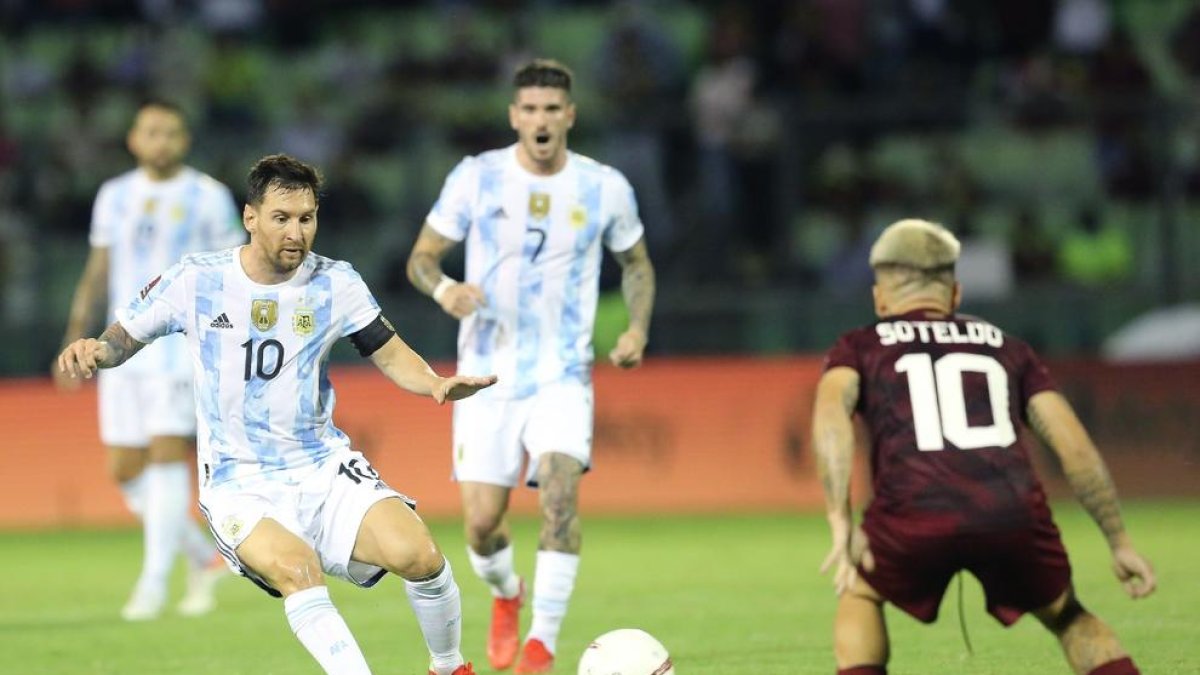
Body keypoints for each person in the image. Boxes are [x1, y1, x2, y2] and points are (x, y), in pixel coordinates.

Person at [58, 154, 494, 675]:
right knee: (298, 569)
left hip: (321, 465)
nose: (296, 232)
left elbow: (389, 350)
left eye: (306, 218)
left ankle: (448, 667)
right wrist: (97, 351)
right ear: (250, 217)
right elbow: (124, 336)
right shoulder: (197, 280)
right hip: (238, 481)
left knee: (420, 556)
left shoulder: (336, 282)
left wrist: (436, 384)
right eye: (281, 218)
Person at [812, 219, 1156, 675]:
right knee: (1067, 615)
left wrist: (840, 517)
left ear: (880, 298)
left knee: (859, 590)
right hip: (1009, 509)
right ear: (955, 295)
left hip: (913, 510)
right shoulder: (1008, 348)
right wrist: (1119, 540)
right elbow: (1074, 445)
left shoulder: (860, 347)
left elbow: (830, 417)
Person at [406, 59, 656, 674]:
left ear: (569, 115)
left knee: (560, 493)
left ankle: (541, 645)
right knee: (483, 527)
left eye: (552, 109)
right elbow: (422, 259)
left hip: (562, 374)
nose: (541, 120)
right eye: (530, 109)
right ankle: (505, 593)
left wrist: (636, 329)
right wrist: (446, 293)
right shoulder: (477, 177)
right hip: (484, 376)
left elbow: (638, 265)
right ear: (514, 116)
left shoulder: (605, 187)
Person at [53, 99, 244, 621]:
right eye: (151, 132)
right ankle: (204, 555)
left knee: (165, 454)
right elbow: (98, 270)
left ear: (184, 140)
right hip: (121, 346)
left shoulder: (208, 196)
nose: (161, 141)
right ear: (134, 139)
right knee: (125, 469)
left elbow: (233, 270)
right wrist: (75, 335)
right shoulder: (114, 196)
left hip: (179, 347)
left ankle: (153, 586)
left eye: (172, 132)